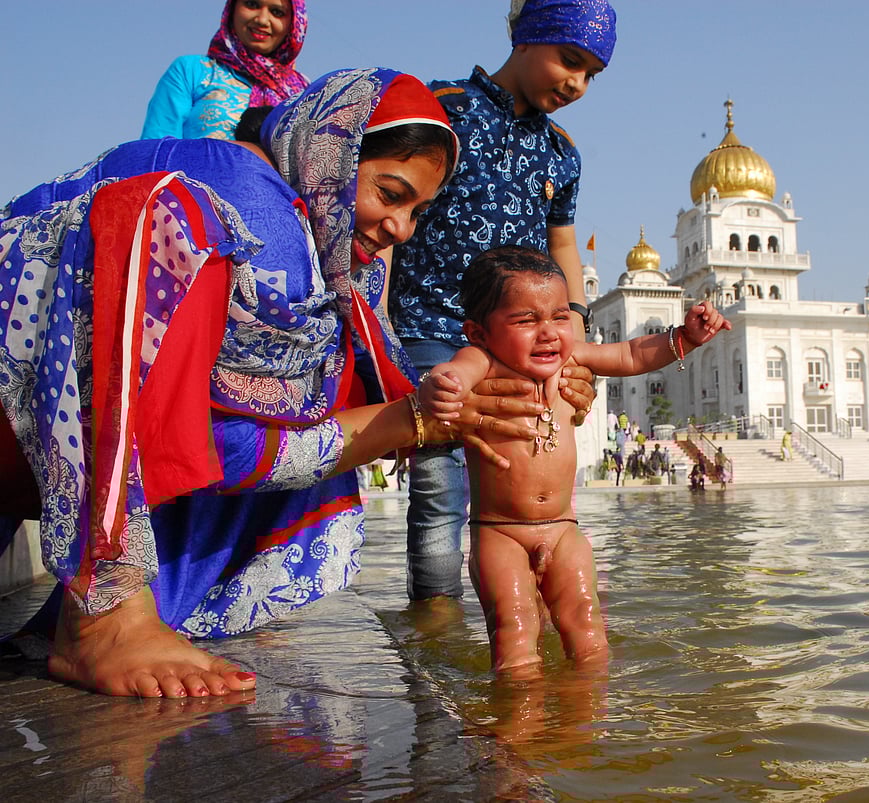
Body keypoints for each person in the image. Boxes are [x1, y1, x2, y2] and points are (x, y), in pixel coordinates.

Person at [0, 68, 551, 698]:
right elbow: (217, 447)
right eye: (390, 194)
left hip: (21, 436)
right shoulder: (257, 214)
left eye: (416, 211)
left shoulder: (297, 230)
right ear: (329, 157)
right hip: (22, 415)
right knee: (166, 221)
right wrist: (408, 423)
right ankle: (105, 614)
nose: (402, 227)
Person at [388, 0, 616, 602]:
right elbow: (394, 210)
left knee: (525, 469)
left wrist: (574, 332)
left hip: (517, 335)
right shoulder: (442, 110)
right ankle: (435, 622)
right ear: (526, 37)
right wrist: (380, 331)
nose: (577, 84)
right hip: (431, 324)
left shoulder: (562, 152)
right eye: (569, 60)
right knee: (439, 486)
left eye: (592, 74)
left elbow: (562, 242)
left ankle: (526, 614)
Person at [416, 246, 729, 671]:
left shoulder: (572, 359)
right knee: (515, 631)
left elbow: (633, 354)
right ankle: (517, 730)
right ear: (479, 333)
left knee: (587, 627)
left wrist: (685, 338)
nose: (548, 332)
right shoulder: (483, 362)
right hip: (500, 534)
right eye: (526, 320)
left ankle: (584, 726)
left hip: (565, 531)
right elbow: (452, 374)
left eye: (560, 316)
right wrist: (441, 386)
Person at [142, 0, 308, 141]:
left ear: (294, 23)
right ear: (232, 9)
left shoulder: (304, 93)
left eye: (277, 12)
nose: (262, 20)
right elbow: (154, 151)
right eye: (251, 4)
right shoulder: (192, 71)